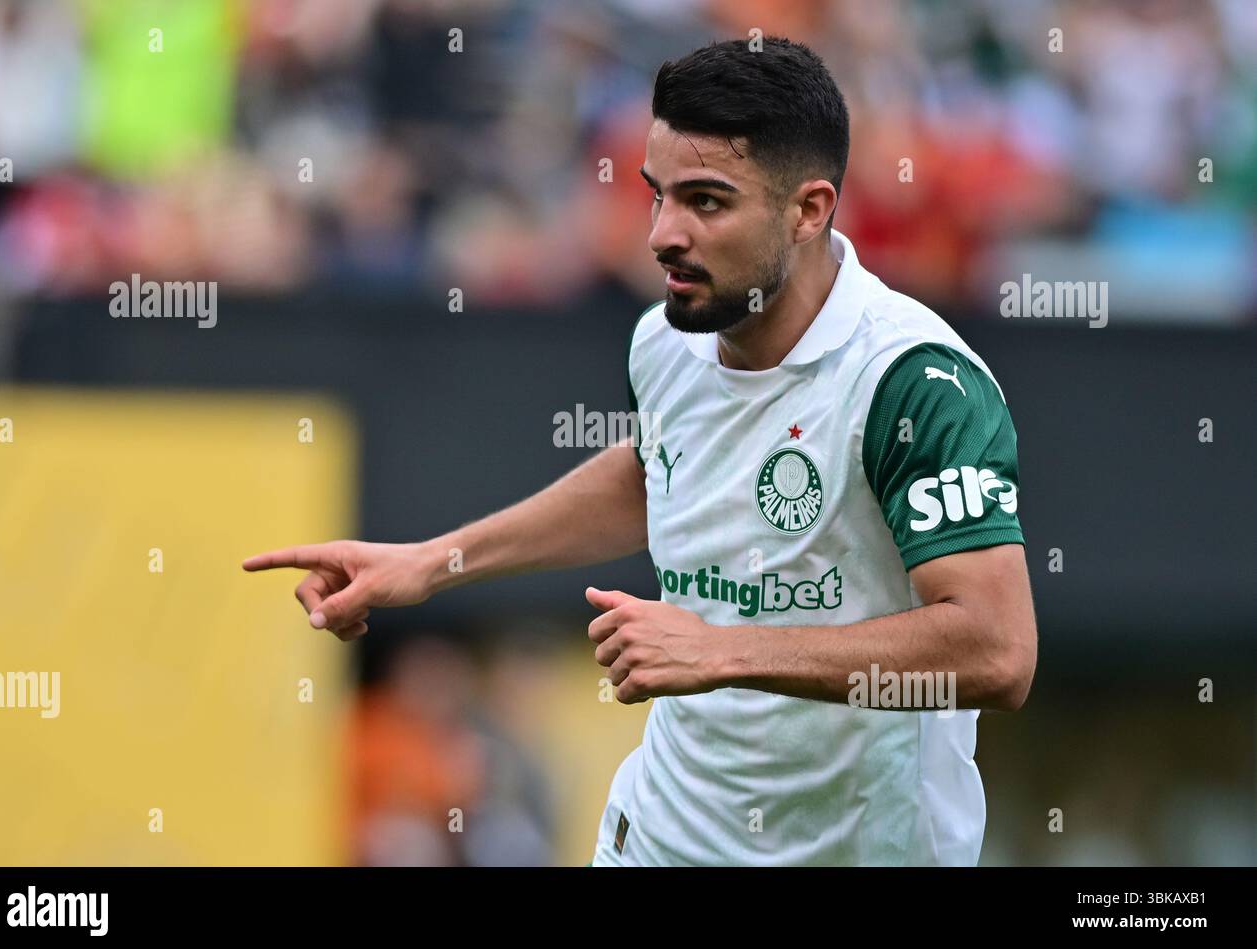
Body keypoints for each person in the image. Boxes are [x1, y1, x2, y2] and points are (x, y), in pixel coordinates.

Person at [243, 37, 1037, 866]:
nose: (662, 234)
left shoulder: (914, 382)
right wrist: (432, 562)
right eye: (657, 195)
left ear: (809, 210)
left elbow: (997, 650)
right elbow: (652, 473)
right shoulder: (666, 337)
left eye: (706, 202)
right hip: (659, 838)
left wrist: (724, 649)